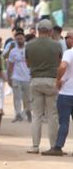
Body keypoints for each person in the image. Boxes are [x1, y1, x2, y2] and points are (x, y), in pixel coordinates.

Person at [25, 19, 62, 154]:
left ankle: (35, 146)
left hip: (35, 80)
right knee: (52, 115)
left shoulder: (29, 45)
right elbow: (59, 63)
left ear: (38, 30)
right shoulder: (57, 45)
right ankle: (53, 146)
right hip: (51, 81)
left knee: (37, 115)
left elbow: (28, 64)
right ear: (51, 31)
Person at [46, 31, 73, 155]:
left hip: (67, 93)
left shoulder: (69, 52)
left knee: (64, 121)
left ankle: (58, 147)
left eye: (67, 37)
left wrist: (58, 80)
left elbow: (62, 67)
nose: (65, 40)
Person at [7, 29, 31, 123]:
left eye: (21, 38)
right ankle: (17, 114)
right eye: (17, 39)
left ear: (24, 39)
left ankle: (24, 113)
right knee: (16, 97)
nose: (19, 40)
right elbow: (10, 66)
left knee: (27, 98)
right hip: (16, 77)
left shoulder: (28, 50)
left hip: (27, 77)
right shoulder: (13, 51)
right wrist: (9, 78)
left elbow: (32, 64)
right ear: (15, 40)